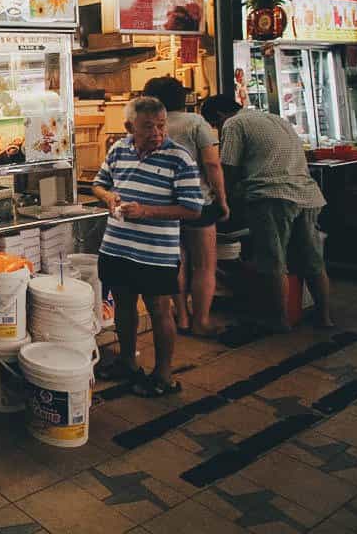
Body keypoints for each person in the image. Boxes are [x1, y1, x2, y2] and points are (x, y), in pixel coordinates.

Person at [91, 96, 203, 397]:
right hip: (117, 246)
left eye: (161, 125)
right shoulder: (118, 150)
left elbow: (193, 209)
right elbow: (99, 183)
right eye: (148, 126)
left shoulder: (179, 158)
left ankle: (163, 375)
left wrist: (147, 211)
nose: (156, 132)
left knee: (158, 309)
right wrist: (109, 198)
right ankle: (128, 362)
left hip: (155, 253)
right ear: (130, 127)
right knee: (123, 306)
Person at [200, 95, 332, 330]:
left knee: (273, 260)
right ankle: (324, 317)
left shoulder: (233, 124)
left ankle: (279, 320)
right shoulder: (274, 118)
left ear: (220, 116)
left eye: (214, 124)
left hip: (272, 197)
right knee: (312, 260)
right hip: (307, 194)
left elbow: (228, 168)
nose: (217, 128)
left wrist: (220, 200)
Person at [143, 77, 229, 338]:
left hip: (163, 205)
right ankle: (201, 320)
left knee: (175, 262)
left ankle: (180, 316)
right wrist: (222, 200)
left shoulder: (149, 126)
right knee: (204, 265)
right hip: (197, 202)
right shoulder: (195, 123)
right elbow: (212, 165)